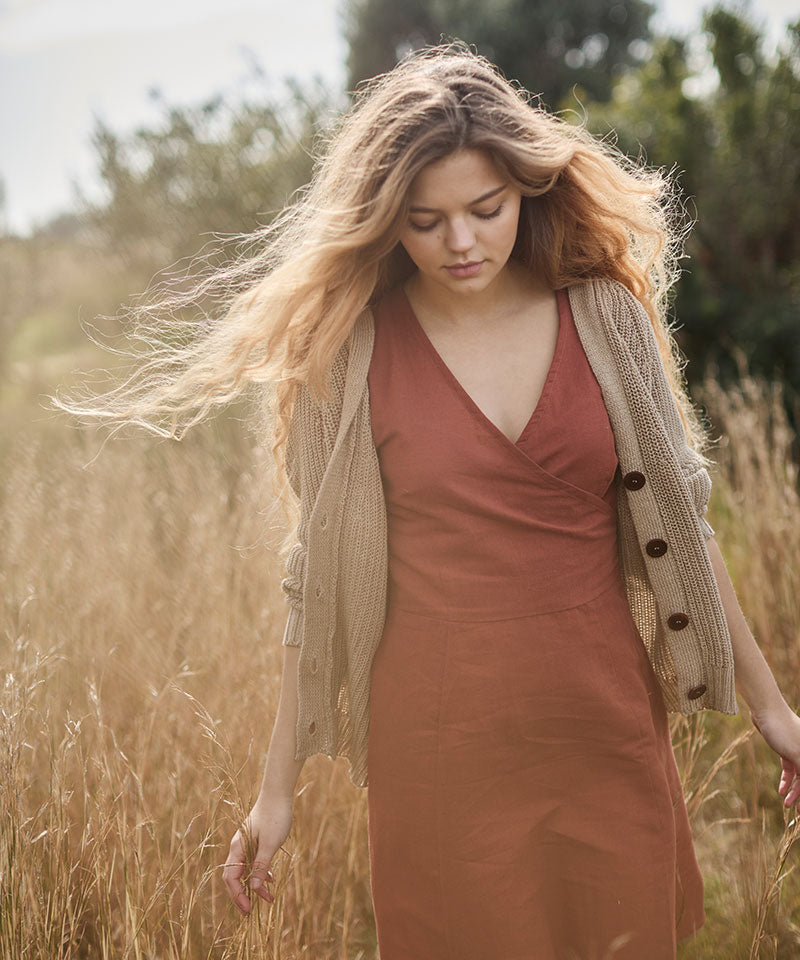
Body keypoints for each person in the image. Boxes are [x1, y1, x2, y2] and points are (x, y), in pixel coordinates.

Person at [53, 40, 800, 960]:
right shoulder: (350, 349)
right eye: (425, 220)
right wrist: (275, 793)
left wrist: (775, 714)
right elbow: (313, 581)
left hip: (604, 725)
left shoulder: (603, 314)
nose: (460, 243)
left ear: (526, 188)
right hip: (442, 747)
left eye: (485, 210)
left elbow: (682, 523)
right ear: (386, 223)